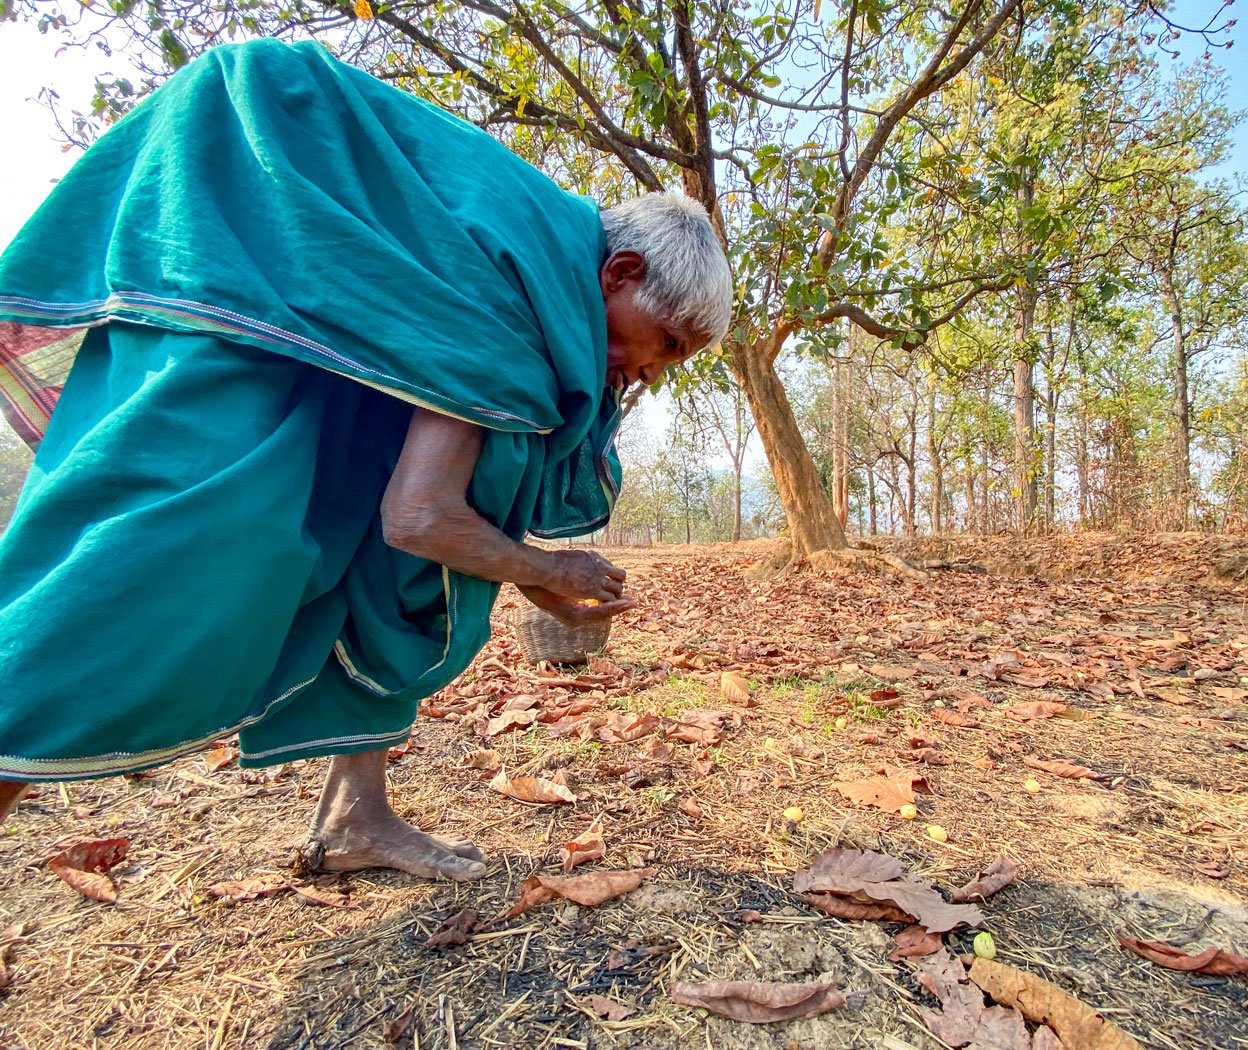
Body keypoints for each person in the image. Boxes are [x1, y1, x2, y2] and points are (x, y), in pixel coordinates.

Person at [0, 39, 731, 881]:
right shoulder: (517, 304)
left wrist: (538, 577)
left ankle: (356, 816)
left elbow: (425, 512)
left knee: (385, 578)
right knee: (140, 578)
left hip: (255, 274)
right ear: (622, 271)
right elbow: (421, 516)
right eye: (664, 344)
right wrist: (546, 564)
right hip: (219, 292)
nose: (646, 373)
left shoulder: (536, 261)